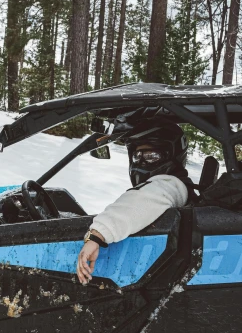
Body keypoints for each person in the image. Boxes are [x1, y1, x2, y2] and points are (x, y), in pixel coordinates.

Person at [76, 117, 195, 285]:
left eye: (151, 155)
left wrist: (97, 235)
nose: (142, 161)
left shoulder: (172, 185)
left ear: (172, 156)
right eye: (138, 155)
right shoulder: (173, 186)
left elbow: (143, 201)